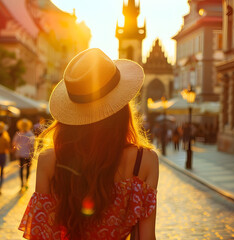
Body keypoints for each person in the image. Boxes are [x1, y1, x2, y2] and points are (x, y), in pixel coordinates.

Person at [19, 48, 159, 239]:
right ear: (121, 107)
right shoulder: (144, 161)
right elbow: (145, 238)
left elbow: (41, 235)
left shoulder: (49, 160)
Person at [12, 118, 35, 190]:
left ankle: (22, 183)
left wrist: (15, 150)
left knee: (21, 169)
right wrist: (33, 154)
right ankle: (26, 182)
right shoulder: (30, 134)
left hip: (20, 154)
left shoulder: (18, 134)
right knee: (28, 168)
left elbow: (14, 143)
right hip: (28, 154)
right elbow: (33, 145)